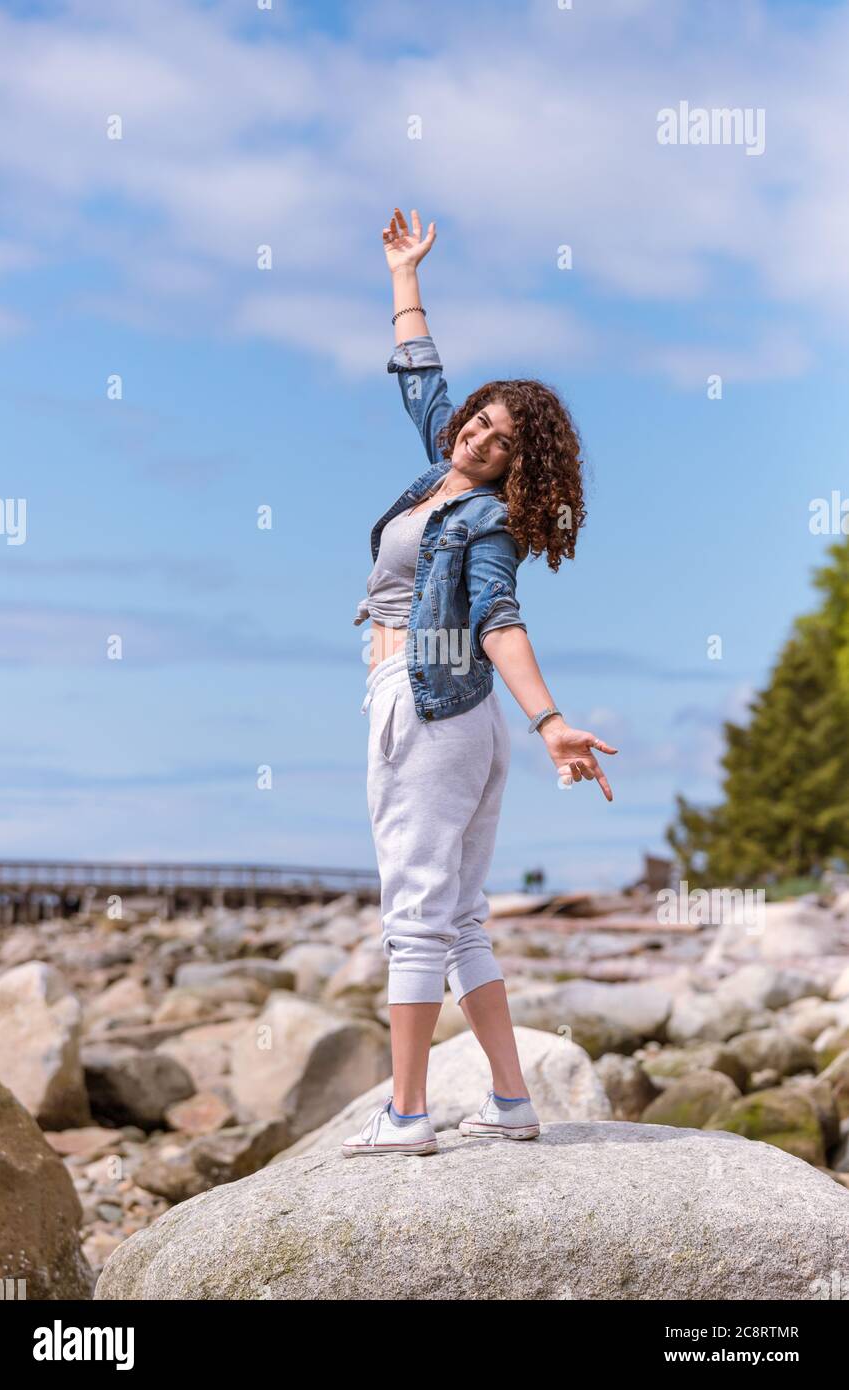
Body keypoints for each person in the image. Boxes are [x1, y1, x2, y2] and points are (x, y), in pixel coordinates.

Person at [342, 209, 618, 1157]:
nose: (475, 438)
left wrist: (551, 721)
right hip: (458, 720)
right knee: (459, 917)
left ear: (517, 469)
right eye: (478, 423)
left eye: (499, 442)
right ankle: (509, 1098)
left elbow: (498, 620)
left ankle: (407, 1114)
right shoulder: (437, 479)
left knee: (414, 911)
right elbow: (423, 380)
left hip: (428, 710)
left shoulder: (484, 522)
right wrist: (403, 273)